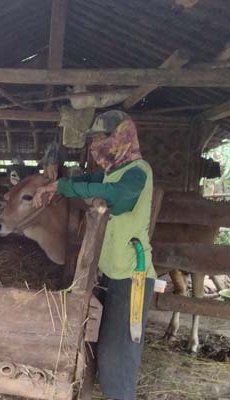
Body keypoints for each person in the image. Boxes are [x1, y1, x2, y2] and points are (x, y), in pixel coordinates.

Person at [33, 110, 155, 400]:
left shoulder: (137, 172)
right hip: (108, 271)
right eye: (94, 140)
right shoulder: (114, 171)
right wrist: (58, 184)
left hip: (132, 276)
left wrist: (62, 186)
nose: (96, 147)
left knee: (119, 351)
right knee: (102, 342)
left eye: (102, 139)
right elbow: (90, 180)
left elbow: (116, 198)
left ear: (121, 137)